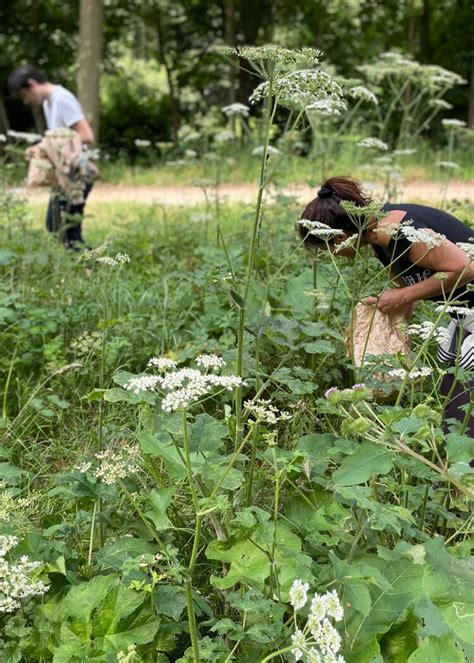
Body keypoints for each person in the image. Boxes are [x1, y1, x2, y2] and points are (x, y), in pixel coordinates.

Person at [299, 176, 474, 435]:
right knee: (448, 371)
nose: (332, 254)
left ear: (341, 236)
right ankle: (454, 457)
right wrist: (387, 328)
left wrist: (401, 298)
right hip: (463, 313)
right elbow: (407, 289)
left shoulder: (398, 231)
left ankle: (464, 465)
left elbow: (465, 268)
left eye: (328, 246)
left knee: (464, 372)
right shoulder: (376, 240)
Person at [8, 65, 94, 248]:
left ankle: (97, 266)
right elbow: (58, 139)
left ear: (32, 84)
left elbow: (87, 136)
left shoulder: (62, 99)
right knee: (55, 225)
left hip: (78, 173)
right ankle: (87, 267)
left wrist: (47, 143)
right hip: (64, 175)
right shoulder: (49, 103)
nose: (26, 101)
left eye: (24, 95)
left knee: (68, 229)